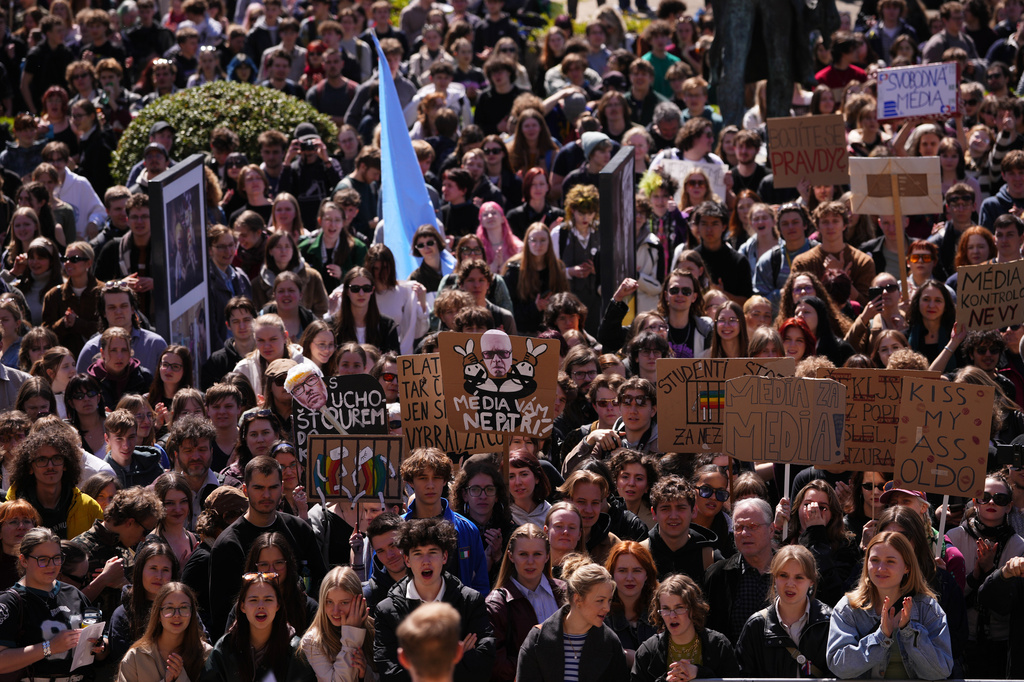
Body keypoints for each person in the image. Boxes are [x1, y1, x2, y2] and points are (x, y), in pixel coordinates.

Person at [207, 456, 327, 639]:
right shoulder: (228, 545)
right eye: (259, 488)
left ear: (281, 487)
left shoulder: (300, 530)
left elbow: (320, 585)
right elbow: (222, 615)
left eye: (273, 487)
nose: (266, 495)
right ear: (246, 490)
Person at [372, 518, 495, 682]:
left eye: (432, 552)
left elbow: (483, 667)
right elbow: (390, 674)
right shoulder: (386, 611)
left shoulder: (470, 601)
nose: (426, 561)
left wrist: (415, 659)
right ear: (407, 560)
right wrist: (454, 656)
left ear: (444, 557)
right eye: (417, 554)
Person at [827, 531, 954, 679]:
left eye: (890, 561)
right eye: (874, 560)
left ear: (907, 567)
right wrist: (881, 637)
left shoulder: (927, 607)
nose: (881, 568)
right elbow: (839, 666)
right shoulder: (848, 608)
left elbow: (941, 670)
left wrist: (909, 632)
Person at [0, 528, 107, 679]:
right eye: (43, 560)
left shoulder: (74, 593)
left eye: (57, 558)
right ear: (24, 560)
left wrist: (100, 646)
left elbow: (103, 647)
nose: (52, 565)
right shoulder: (10, 602)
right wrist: (49, 647)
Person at [515, 561, 629, 682]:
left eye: (609, 600)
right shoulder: (537, 639)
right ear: (578, 599)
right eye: (600, 600)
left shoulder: (611, 643)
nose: (607, 608)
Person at [399, 448, 489, 594]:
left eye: (436, 477)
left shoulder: (467, 529)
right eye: (422, 478)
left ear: (445, 480)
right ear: (410, 482)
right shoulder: (395, 529)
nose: (430, 485)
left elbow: (480, 585)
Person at [736, 545, 834, 677]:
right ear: (774, 577)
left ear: (811, 581)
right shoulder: (756, 625)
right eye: (783, 575)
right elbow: (743, 676)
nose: (790, 584)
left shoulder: (829, 621)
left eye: (799, 577)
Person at [485, 524, 567, 682]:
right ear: (510, 556)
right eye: (523, 554)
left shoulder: (565, 593)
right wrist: (536, 668)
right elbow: (495, 662)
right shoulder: (497, 603)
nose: (530, 561)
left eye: (537, 554)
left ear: (547, 556)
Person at [631, 573, 739, 681]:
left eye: (679, 608)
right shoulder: (646, 652)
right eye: (666, 609)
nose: (672, 616)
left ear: (693, 609)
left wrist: (699, 672)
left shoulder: (720, 646)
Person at [200, 572, 300, 682]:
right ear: (242, 606)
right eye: (253, 600)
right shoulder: (225, 648)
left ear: (278, 605)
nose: (261, 606)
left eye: (268, 600)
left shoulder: (294, 651)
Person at [6, 425, 103, 539]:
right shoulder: (9, 510)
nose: (50, 466)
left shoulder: (89, 507)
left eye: (56, 458)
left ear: (65, 464)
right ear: (30, 467)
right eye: (42, 460)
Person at [703, 497, 775, 643]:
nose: (745, 533)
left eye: (753, 526)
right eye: (739, 527)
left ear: (771, 530)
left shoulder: (789, 572)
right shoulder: (718, 575)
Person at [116, 582, 213, 682]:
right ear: (158, 615)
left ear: (192, 613)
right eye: (169, 608)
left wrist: (181, 678)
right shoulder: (136, 657)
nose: (176, 615)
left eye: (184, 607)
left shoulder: (207, 655)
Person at [292, 566, 375, 682]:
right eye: (329, 602)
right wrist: (351, 633)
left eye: (344, 603)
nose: (336, 611)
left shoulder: (373, 628)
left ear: (359, 602)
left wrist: (366, 673)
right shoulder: (313, 641)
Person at [109, 540, 179, 662]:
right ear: (140, 570)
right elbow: (122, 663)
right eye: (153, 568)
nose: (159, 576)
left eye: (166, 570)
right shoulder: (122, 614)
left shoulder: (183, 608)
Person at [640, 475, 720, 582]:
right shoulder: (639, 555)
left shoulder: (710, 558)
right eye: (665, 509)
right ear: (654, 513)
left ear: (694, 511)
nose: (673, 516)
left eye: (681, 508)